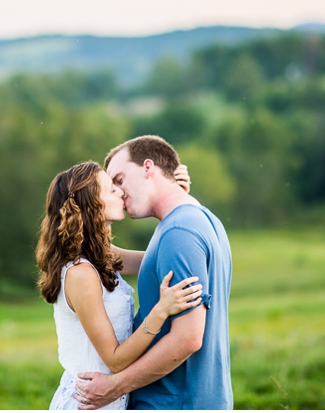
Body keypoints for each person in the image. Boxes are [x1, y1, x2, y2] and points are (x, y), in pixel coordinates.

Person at [74, 135, 233, 410]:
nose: (119, 192)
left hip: (173, 402)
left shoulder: (178, 233)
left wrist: (115, 386)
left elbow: (188, 338)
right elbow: (113, 257)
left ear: (148, 168)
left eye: (120, 180)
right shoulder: (201, 219)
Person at [37, 161, 202, 410]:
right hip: (89, 402)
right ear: (92, 206)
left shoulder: (101, 255)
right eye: (111, 190)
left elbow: (158, 257)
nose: (121, 192)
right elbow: (114, 360)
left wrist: (177, 198)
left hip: (109, 399)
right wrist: (160, 312)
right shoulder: (81, 273)